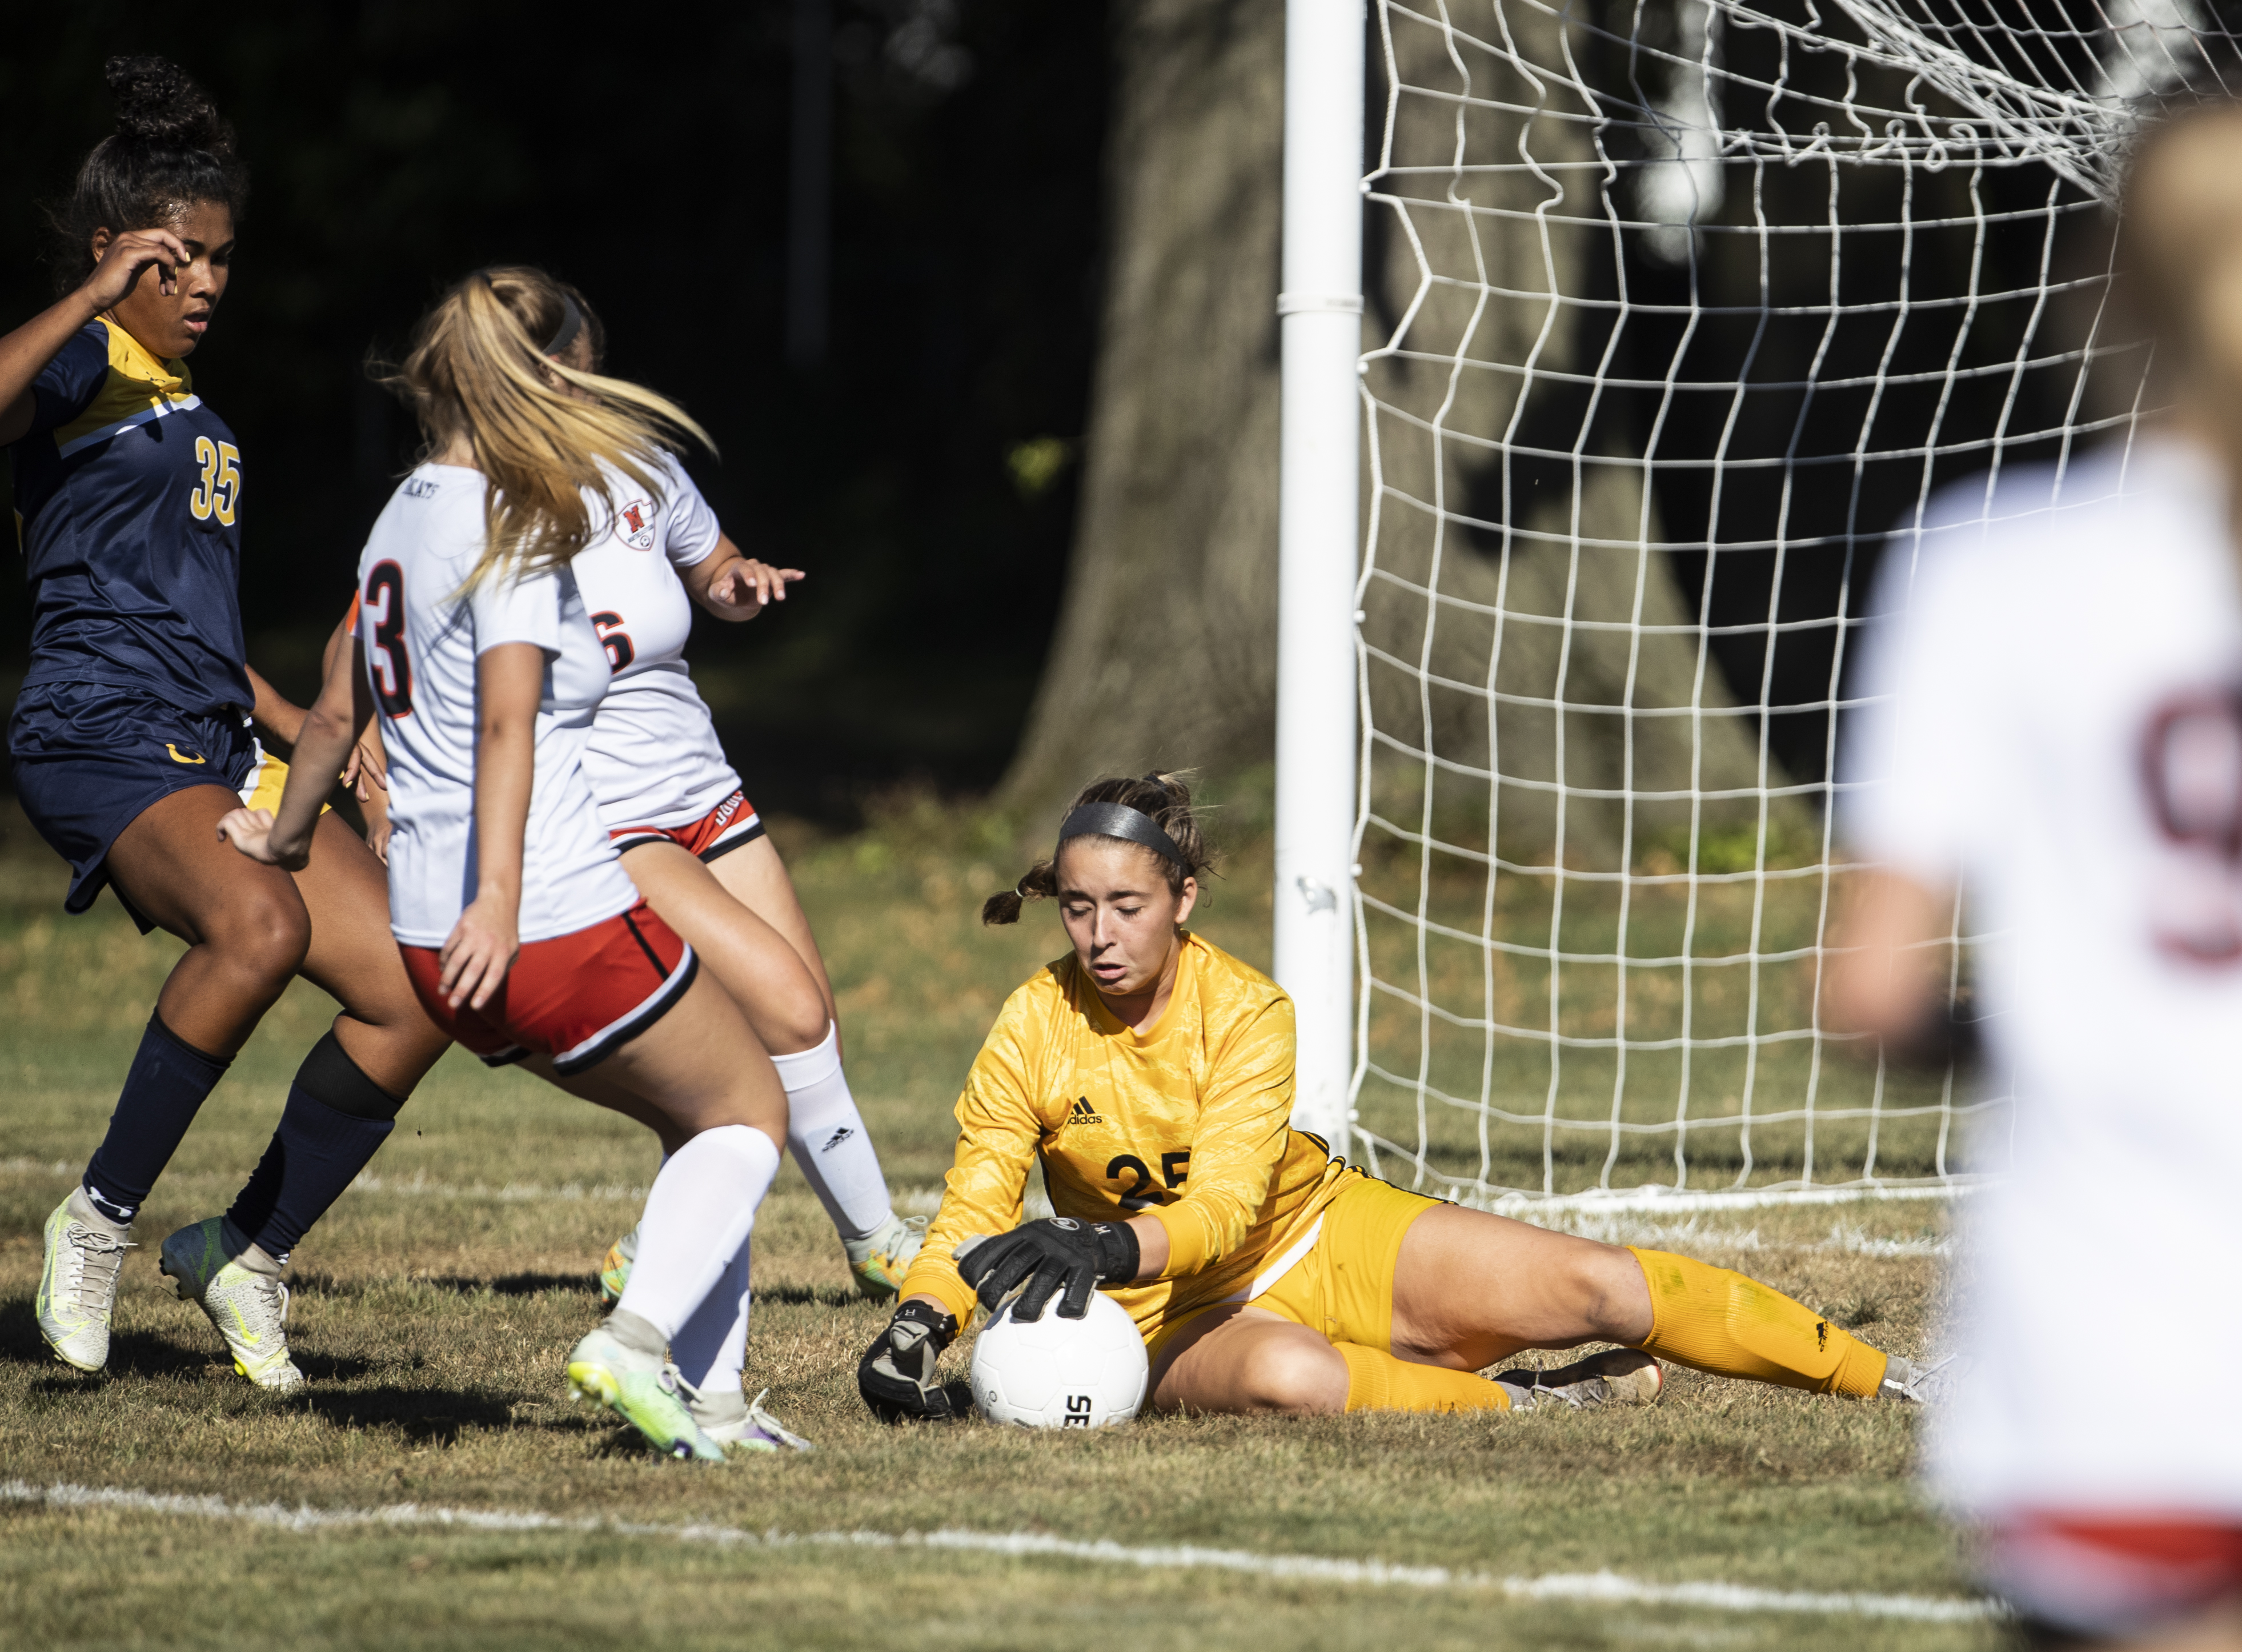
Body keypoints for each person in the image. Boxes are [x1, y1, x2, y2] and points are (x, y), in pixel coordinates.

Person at [218, 265, 811, 1460]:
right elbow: (506, 726)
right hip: (537, 918)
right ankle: (634, 1343)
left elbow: (334, 713)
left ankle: (716, 1403)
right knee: (749, 1108)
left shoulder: (396, 520)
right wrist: (502, 898)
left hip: (431, 945)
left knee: (698, 1120)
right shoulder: (515, 525)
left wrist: (284, 839)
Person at [859, 773, 1931, 1421]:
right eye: (1079, 908)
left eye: (1127, 906)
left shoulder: (1248, 1010)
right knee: (1295, 1380)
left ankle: (1884, 1383)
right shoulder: (1032, 1023)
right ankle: (1533, 1407)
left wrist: (1099, 1245)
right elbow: (977, 1200)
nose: (1099, 935)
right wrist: (921, 1320)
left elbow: (1230, 1207)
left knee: (1603, 1286)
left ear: (1183, 900)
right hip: (1164, 1309)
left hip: (1313, 1234)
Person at [1825, 100, 2242, 1652]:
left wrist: (2058, 1020)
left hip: (2114, 1354)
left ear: (2104, 297)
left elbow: (1868, 987)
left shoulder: (1993, 567)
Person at [2, 57, 448, 1393]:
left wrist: (325, 725)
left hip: (203, 724)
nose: (207, 282)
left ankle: (246, 1246)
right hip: (94, 728)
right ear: (113, 252)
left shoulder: (202, 416)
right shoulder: (82, 359)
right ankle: (97, 1219)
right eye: (178, 258)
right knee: (261, 925)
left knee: (417, 987)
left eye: (220, 260)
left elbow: (196, 633)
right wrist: (87, 295)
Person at [469, 281, 921, 1302]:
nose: (596, 390)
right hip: (612, 814)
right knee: (787, 1012)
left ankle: (670, 1243)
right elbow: (405, 630)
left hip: (706, 786)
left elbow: (706, 562)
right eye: (578, 372)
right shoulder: (485, 500)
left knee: (812, 1021)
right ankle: (882, 1245)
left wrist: (737, 581)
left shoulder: (640, 463)